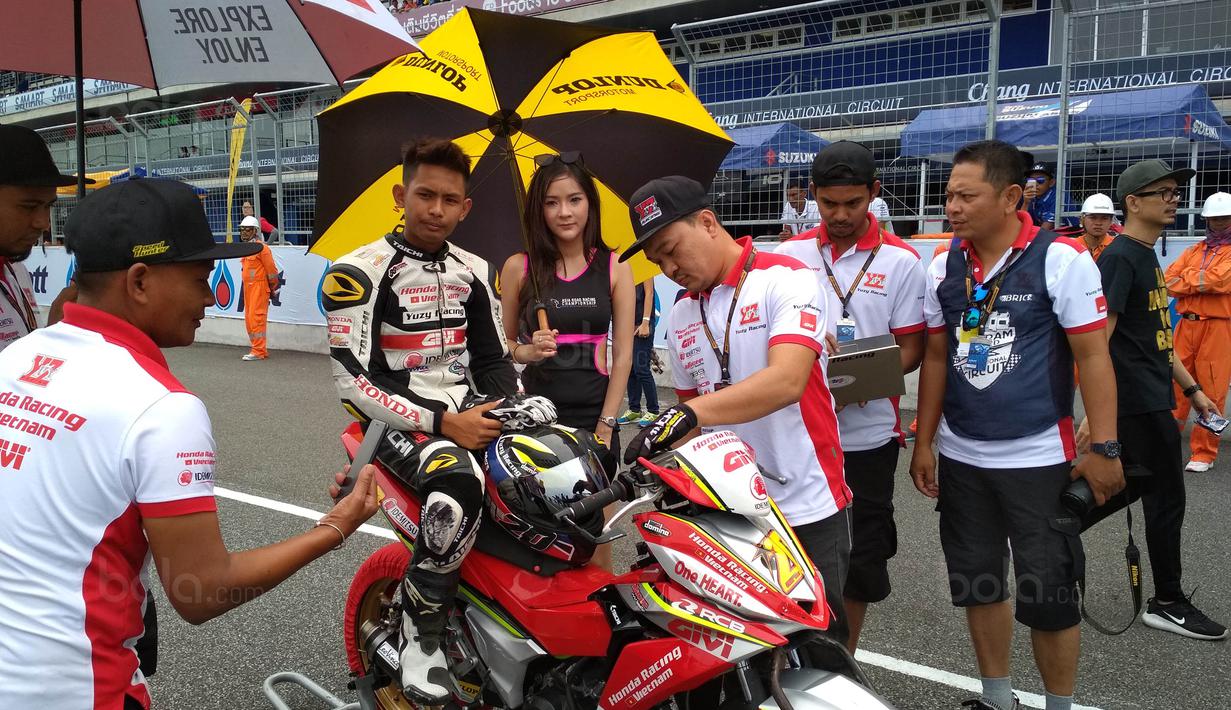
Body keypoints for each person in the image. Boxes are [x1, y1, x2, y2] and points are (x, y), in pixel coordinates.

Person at [0, 178, 379, 710]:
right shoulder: (161, 407)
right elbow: (202, 591)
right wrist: (335, 528)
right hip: (78, 688)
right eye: (200, 278)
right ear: (138, 281)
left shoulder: (16, 357)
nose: (208, 295)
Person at [321, 138, 555, 703]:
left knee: (566, 453)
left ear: (465, 208)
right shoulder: (356, 271)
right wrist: (444, 423)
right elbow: (352, 383)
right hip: (398, 425)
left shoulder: (476, 268)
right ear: (401, 196)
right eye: (424, 195)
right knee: (458, 481)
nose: (436, 209)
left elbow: (495, 359)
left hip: (466, 412)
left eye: (450, 199)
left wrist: (506, 412)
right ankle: (419, 631)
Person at [909, 140, 1123, 710]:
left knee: (1049, 593)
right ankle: (997, 697)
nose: (951, 207)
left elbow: (1094, 357)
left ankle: (1058, 705)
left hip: (1037, 459)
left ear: (1009, 196)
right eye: (949, 195)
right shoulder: (943, 266)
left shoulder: (1062, 260)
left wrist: (1104, 444)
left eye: (965, 195)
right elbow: (935, 358)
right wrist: (924, 442)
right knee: (978, 583)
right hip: (961, 457)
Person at [621, 175, 853, 644]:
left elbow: (787, 380)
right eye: (657, 261)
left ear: (707, 222)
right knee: (738, 650)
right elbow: (690, 426)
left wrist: (692, 415)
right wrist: (652, 469)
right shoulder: (685, 312)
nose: (668, 268)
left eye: (671, 249)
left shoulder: (786, 277)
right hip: (725, 512)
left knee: (816, 649)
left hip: (805, 505)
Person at [774, 141, 925, 652]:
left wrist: (858, 378)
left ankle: (840, 662)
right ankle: (789, 662)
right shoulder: (788, 257)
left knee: (859, 561)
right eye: (828, 204)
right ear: (812, 196)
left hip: (866, 440)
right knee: (788, 558)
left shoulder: (902, 261)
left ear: (874, 195)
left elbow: (912, 349)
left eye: (852, 204)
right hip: (798, 439)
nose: (840, 215)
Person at [1075, 161, 1227, 641]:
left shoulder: (1146, 255)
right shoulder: (1119, 258)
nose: (1174, 198)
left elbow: (1158, 341)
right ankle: (1167, 601)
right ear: (1133, 202)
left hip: (1152, 395)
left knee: (1138, 488)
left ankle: (1049, 527)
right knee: (1165, 499)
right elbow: (1099, 341)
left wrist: (1194, 390)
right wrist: (1093, 417)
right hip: (1134, 402)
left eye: (1176, 191)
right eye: (1162, 191)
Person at [499, 152, 634, 455]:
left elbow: (624, 356)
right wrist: (528, 351)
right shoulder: (518, 268)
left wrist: (606, 424)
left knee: (602, 502)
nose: (564, 212)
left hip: (596, 418)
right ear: (538, 209)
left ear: (590, 203)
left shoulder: (616, 267)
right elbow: (503, 345)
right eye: (551, 202)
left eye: (574, 199)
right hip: (536, 418)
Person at [0, 125, 91, 346]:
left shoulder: (16, 269)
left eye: (48, 206)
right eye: (29, 206)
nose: (43, 223)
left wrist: (53, 333)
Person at [1165, 191, 1231, 472]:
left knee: (1212, 386)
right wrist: (1200, 282)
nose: (1217, 223)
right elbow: (1168, 280)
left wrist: (1188, 280)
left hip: (1218, 326)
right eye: (1213, 219)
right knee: (1174, 385)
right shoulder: (1195, 250)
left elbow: (1222, 280)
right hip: (1186, 324)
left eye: (1223, 218)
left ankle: (1204, 452)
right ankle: (1165, 442)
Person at [619, 277, 660, 427]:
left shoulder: (644, 265)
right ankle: (634, 409)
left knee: (641, 368)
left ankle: (654, 411)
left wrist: (645, 323)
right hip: (628, 324)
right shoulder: (625, 267)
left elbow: (649, 294)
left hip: (643, 325)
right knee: (630, 369)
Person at [239, 215, 280, 361]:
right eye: (242, 229)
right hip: (249, 288)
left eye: (247, 230)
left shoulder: (262, 248)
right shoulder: (246, 249)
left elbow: (271, 271)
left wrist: (271, 287)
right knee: (249, 319)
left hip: (259, 287)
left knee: (257, 318)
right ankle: (256, 347)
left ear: (255, 231)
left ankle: (258, 351)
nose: (244, 232)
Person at [1077, 193, 1117, 260]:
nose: (1098, 223)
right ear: (1082, 220)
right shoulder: (1072, 246)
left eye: (1104, 218)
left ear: (1111, 221)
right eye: (1093, 217)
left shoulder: (1116, 247)